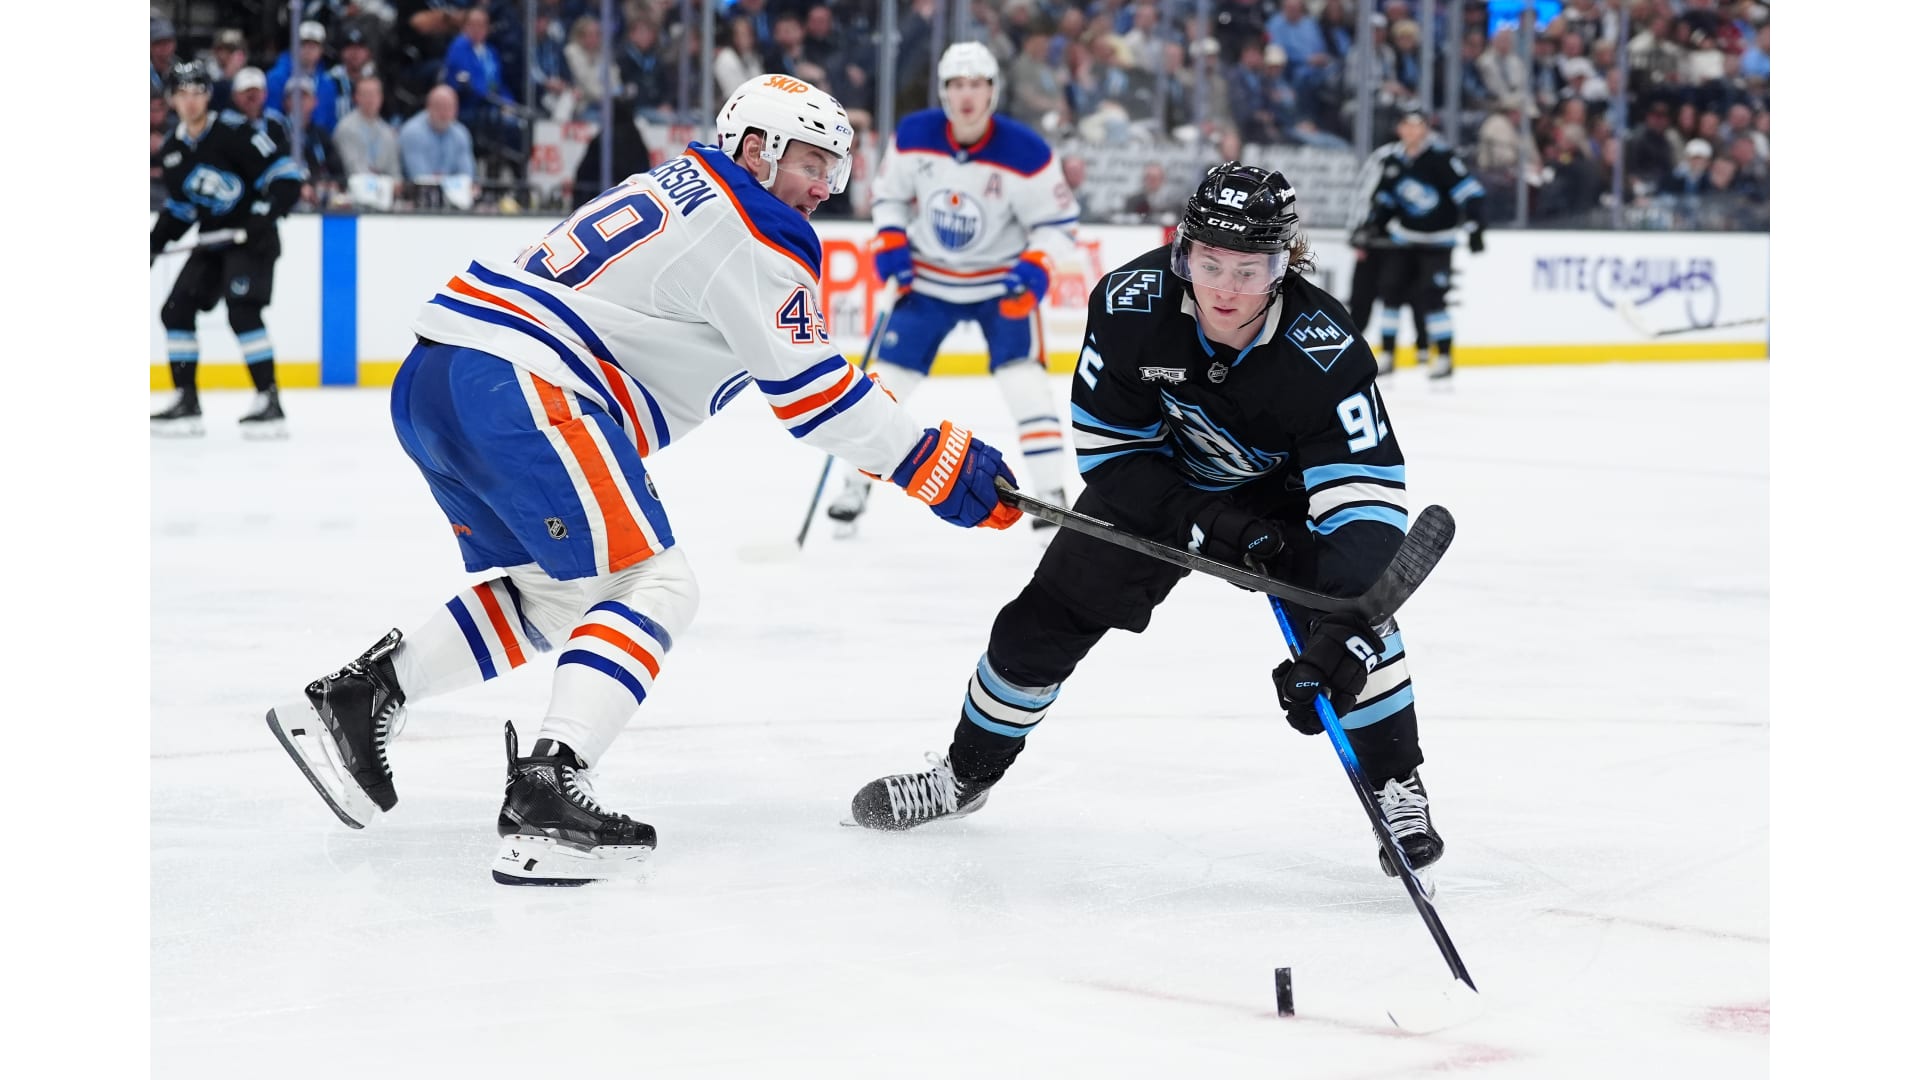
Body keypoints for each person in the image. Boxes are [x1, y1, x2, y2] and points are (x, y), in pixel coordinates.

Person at [264, 73, 1025, 887]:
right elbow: (814, 395)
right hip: (524, 386)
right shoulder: (754, 226)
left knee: (558, 594)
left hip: (439, 375)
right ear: (757, 151)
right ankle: (548, 790)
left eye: (834, 170)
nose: (823, 188)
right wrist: (935, 462)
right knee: (655, 584)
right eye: (811, 163)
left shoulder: (681, 183)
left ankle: (362, 698)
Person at [845, 163, 1447, 881]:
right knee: (1041, 622)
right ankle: (963, 777)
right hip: (1158, 486)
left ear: (1285, 265)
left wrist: (1347, 624)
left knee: (1358, 623)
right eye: (1209, 263)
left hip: (1284, 504)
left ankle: (1396, 786)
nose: (1225, 289)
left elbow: (1364, 504)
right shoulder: (1131, 305)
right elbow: (1113, 456)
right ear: (1182, 250)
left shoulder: (1325, 349)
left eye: (1250, 271)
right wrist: (1208, 524)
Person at [826, 42, 1080, 539]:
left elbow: (1058, 222)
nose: (967, 96)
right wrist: (890, 241)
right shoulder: (914, 135)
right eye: (957, 85)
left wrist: (1035, 266)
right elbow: (889, 197)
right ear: (943, 91)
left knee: (1025, 384)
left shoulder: (1026, 151)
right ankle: (853, 488)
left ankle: (1050, 494)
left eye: (977, 85)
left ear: (993, 90)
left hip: (1000, 285)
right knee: (885, 383)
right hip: (927, 281)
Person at [150, 61, 304, 437]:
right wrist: (153, 243)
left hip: (252, 242)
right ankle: (186, 400)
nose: (190, 101)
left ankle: (269, 400)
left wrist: (263, 216)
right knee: (175, 310)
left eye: (198, 92)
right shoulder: (173, 150)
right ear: (172, 100)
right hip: (214, 241)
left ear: (208, 96)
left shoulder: (236, 132)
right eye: (182, 94)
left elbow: (287, 178)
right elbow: (183, 210)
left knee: (243, 311)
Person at [1351, 107, 1486, 379]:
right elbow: (1385, 200)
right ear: (1399, 129)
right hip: (1402, 240)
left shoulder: (1442, 159)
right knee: (1390, 293)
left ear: (1426, 129)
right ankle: (1387, 354)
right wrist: (1372, 227)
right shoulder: (1393, 161)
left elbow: (1470, 194)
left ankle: (1444, 356)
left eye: (1417, 125)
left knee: (1433, 298)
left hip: (1438, 243)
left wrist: (1475, 228)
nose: (1412, 131)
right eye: (1407, 125)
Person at [1344, 137, 1428, 368]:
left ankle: (1416, 348)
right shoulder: (1383, 158)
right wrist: (1359, 231)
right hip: (1375, 243)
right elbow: (1363, 195)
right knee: (1362, 300)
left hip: (1406, 245)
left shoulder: (1431, 157)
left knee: (1410, 297)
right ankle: (1347, 349)